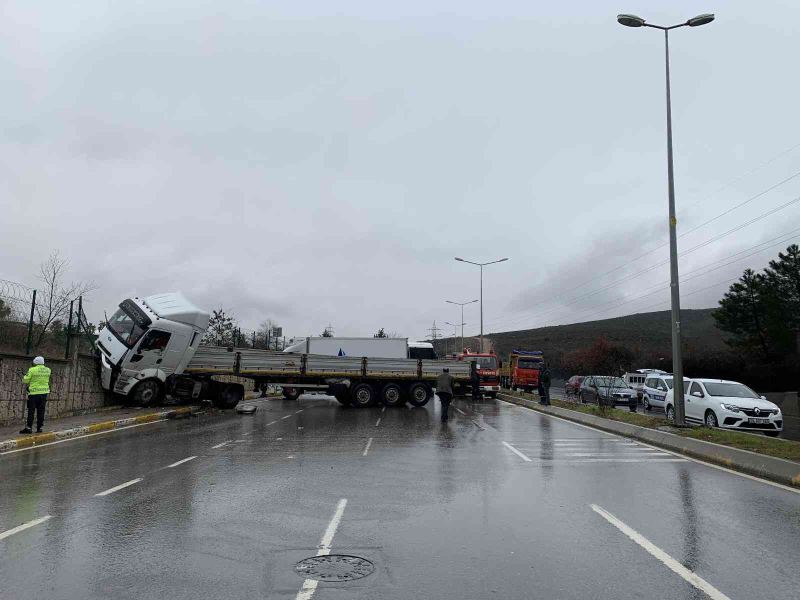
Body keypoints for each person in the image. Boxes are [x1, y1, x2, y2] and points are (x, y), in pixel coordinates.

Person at [21, 356, 51, 434]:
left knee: (31, 411)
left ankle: (29, 428)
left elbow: (25, 380)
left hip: (34, 394)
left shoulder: (32, 369)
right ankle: (39, 428)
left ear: (35, 362)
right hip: (44, 393)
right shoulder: (48, 370)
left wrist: (24, 377)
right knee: (41, 411)